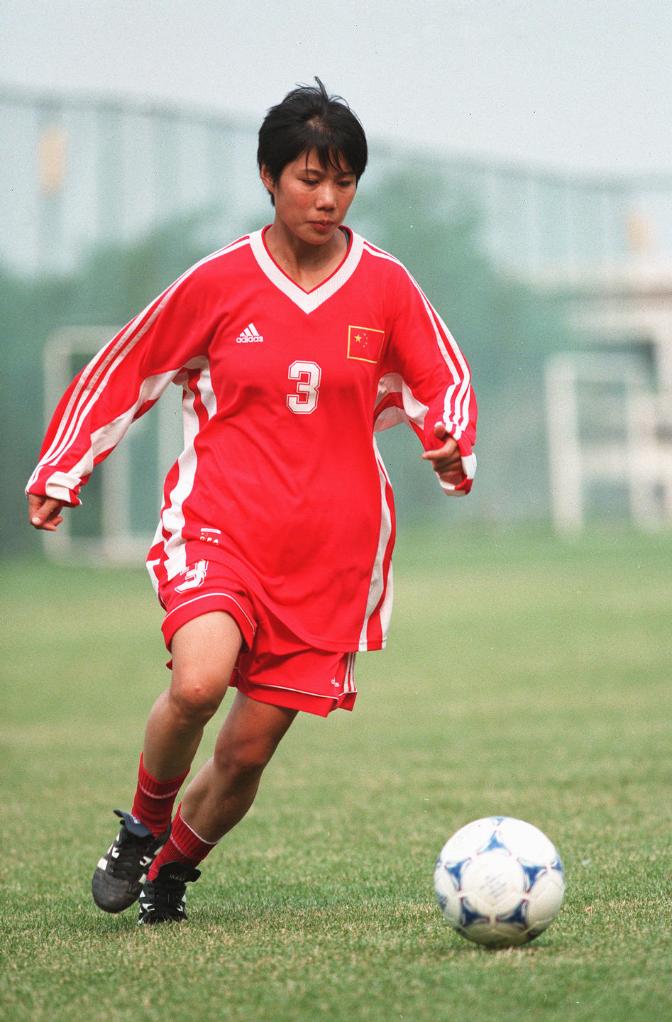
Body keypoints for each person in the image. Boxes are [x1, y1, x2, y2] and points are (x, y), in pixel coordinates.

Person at [26, 79, 477, 925]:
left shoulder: (385, 285)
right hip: (220, 527)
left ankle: (170, 873)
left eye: (344, 181)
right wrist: (62, 467)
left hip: (332, 556)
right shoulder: (221, 281)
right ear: (269, 178)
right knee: (199, 684)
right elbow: (128, 365)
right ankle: (141, 828)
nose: (327, 198)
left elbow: (442, 379)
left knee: (244, 755)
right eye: (310, 179)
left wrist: (451, 443)